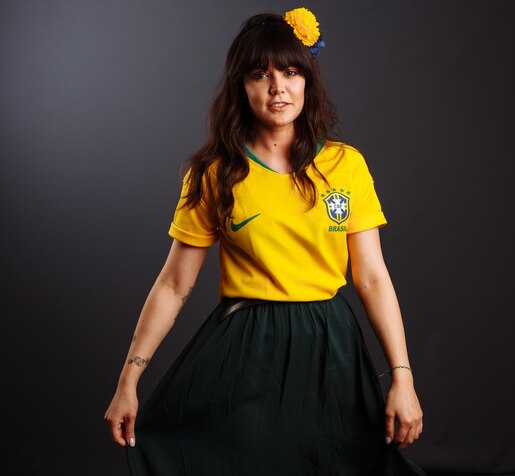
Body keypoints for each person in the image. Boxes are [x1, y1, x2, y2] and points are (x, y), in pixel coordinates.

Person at [104, 7, 427, 475]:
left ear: (307, 81)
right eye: (261, 74)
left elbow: (373, 279)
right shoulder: (215, 174)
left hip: (331, 346)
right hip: (245, 348)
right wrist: (128, 380)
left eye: (291, 72)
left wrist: (402, 378)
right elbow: (174, 284)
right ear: (242, 87)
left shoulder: (345, 165)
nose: (278, 87)